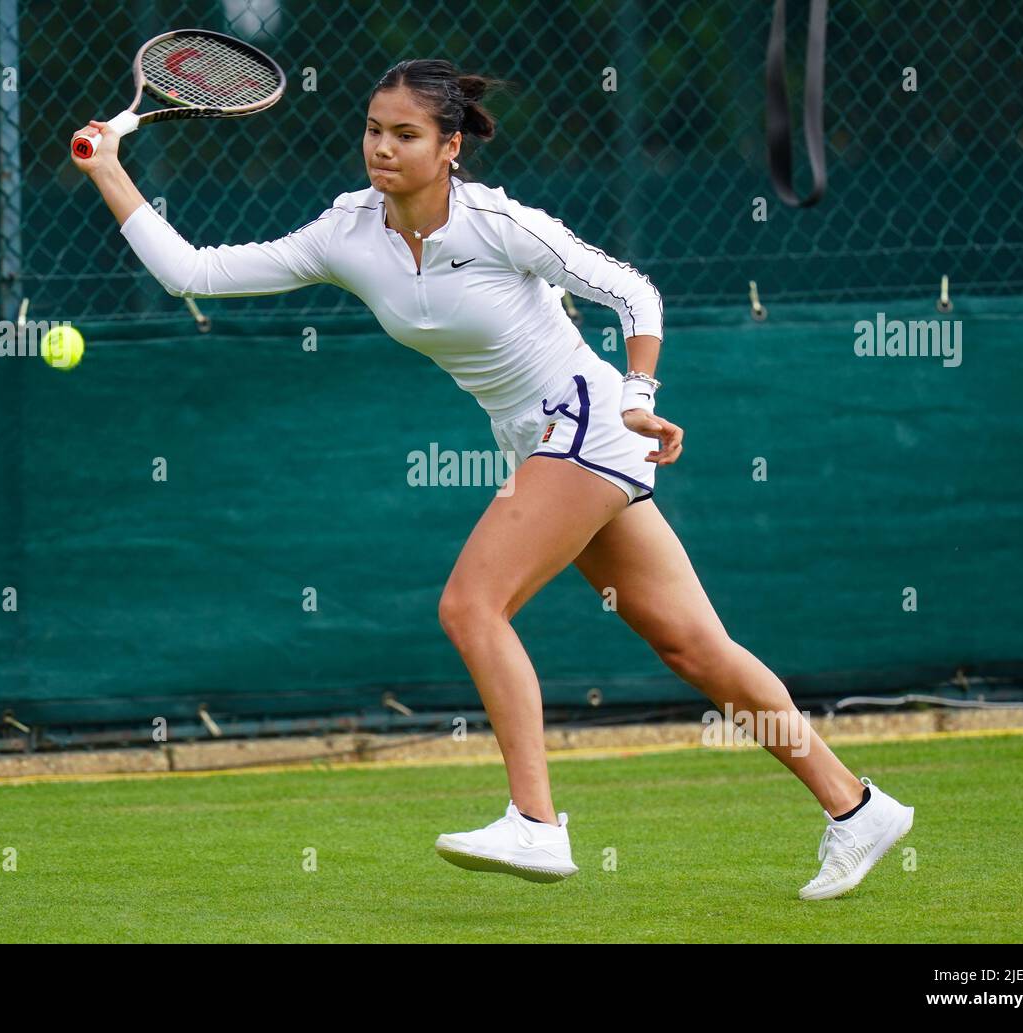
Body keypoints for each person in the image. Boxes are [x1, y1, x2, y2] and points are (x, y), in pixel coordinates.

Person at [71, 57, 914, 901]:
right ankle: (856, 806)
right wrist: (111, 170)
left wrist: (640, 395)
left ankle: (537, 824)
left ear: (448, 148)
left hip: (586, 419)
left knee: (470, 604)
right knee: (692, 646)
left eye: (406, 135)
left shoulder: (498, 223)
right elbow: (196, 274)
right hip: (537, 443)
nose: (383, 148)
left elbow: (633, 293)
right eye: (373, 130)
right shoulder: (345, 233)